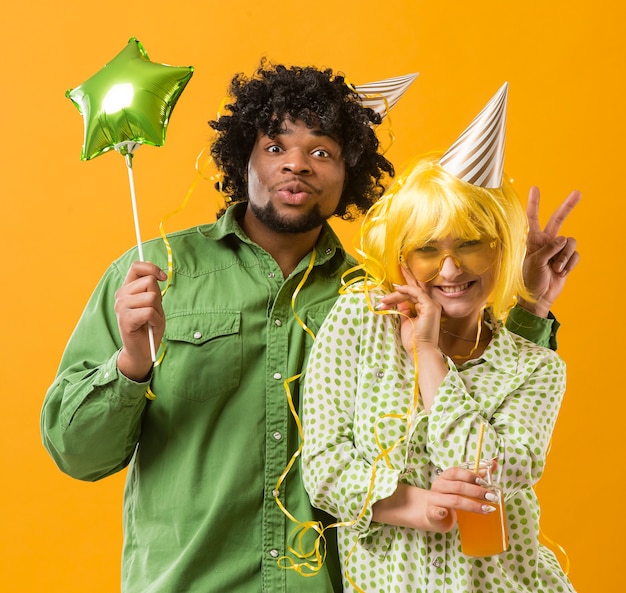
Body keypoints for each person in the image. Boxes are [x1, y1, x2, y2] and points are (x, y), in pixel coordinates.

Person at [41, 65, 577, 593]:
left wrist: (528, 303)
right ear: (240, 158)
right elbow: (78, 454)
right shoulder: (154, 274)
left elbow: (479, 410)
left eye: (321, 152)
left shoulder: (378, 298)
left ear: (351, 173)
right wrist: (131, 365)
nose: (297, 165)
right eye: (275, 147)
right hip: (188, 581)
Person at [301, 85, 578, 592]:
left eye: (471, 244)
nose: (451, 268)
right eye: (428, 249)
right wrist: (423, 506)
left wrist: (427, 355)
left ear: (502, 249)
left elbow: (498, 471)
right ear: (402, 257)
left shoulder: (535, 367)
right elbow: (324, 468)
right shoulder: (361, 322)